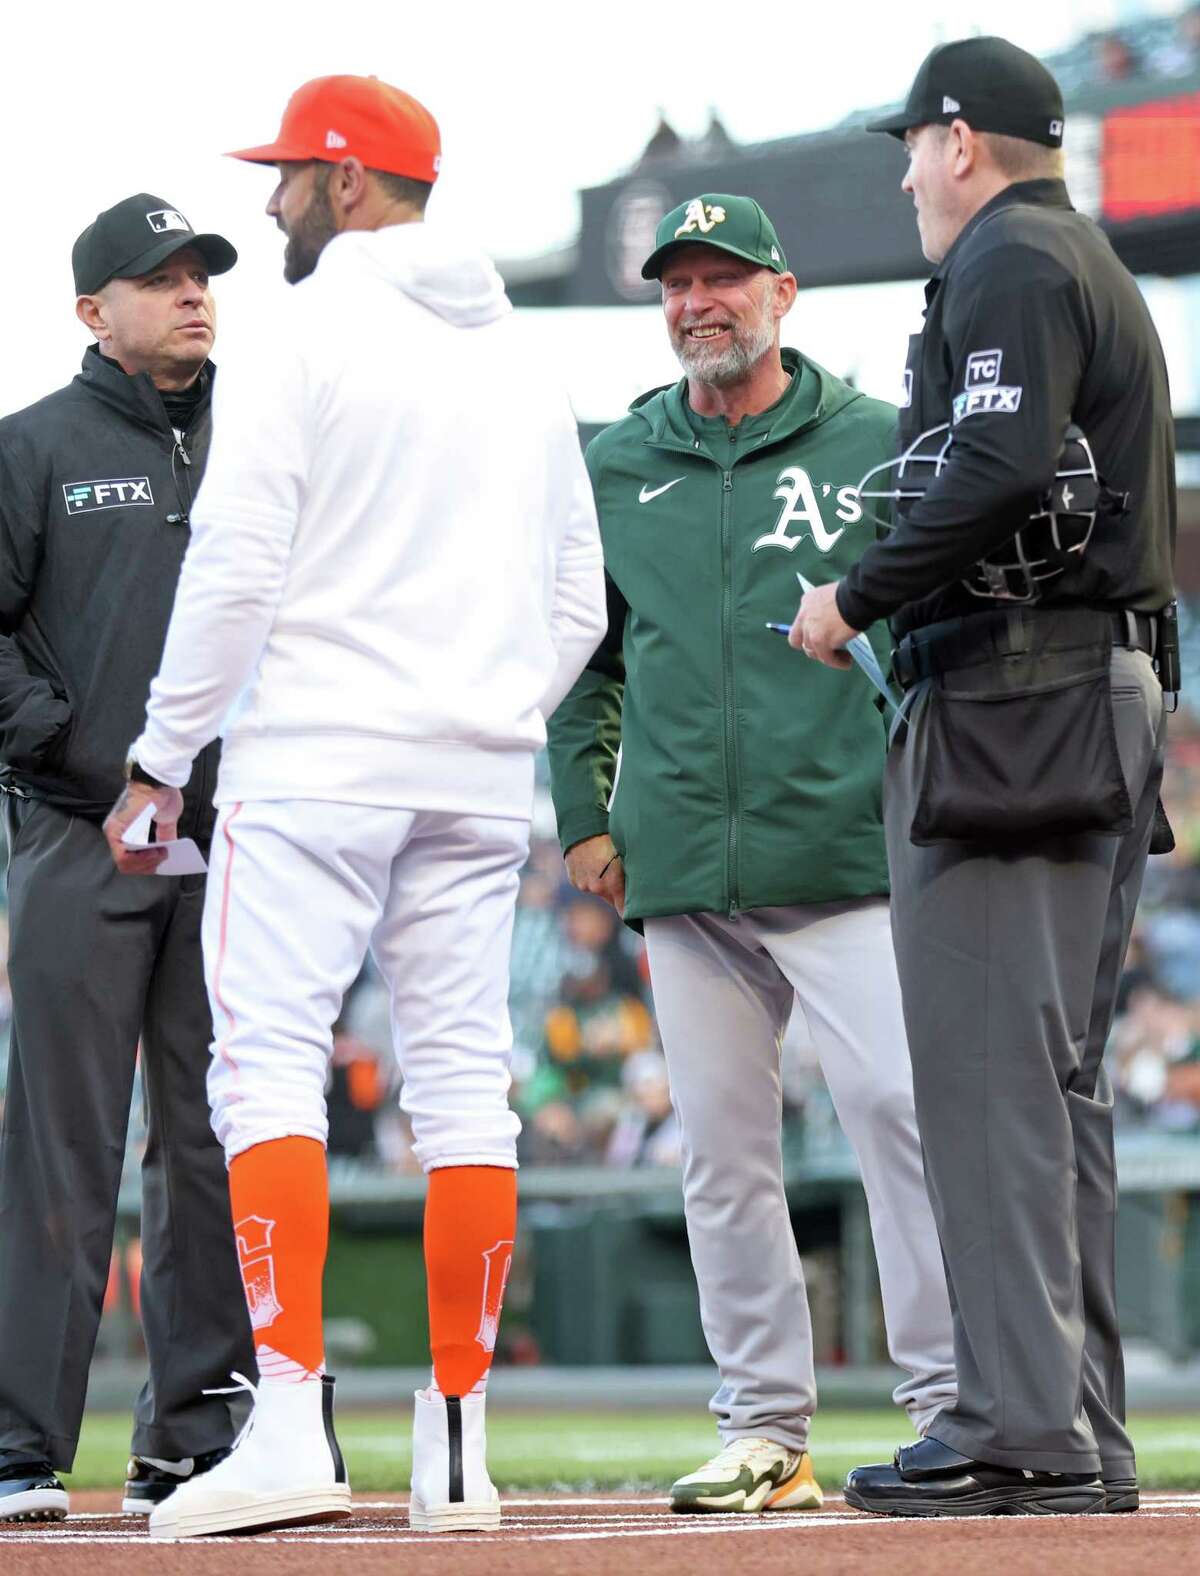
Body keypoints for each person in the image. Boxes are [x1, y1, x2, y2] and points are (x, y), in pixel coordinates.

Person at [103, 75, 606, 1541]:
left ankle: (286, 1427)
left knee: (264, 1070)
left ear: (347, 180)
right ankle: (459, 1450)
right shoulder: (520, 358)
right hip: (472, 768)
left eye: (286, 178)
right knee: (464, 1086)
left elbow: (240, 562)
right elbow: (579, 594)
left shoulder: (307, 329)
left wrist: (159, 753)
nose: (267, 205)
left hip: (316, 754)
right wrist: (496, 702)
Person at [792, 37, 1175, 1517]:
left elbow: (1006, 457)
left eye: (912, 145)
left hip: (1022, 697)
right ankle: (1073, 1425)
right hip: (1084, 693)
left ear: (961, 140)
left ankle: (1021, 1428)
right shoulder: (1070, 253)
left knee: (993, 1082)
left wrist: (855, 594)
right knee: (1053, 1084)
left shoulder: (1013, 252)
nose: (903, 174)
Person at [546, 193, 956, 1515]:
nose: (697, 302)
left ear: (785, 294)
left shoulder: (876, 440)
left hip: (848, 852)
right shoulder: (617, 459)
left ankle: (955, 1405)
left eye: (725, 279)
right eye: (678, 284)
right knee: (721, 1155)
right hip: (683, 866)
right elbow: (580, 659)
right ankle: (767, 1428)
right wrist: (585, 816)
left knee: (901, 1120)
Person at [0, 196, 254, 1522]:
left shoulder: (264, 444)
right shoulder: (28, 447)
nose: (192, 294)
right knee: (63, 1143)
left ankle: (199, 1432)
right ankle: (17, 1445)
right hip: (81, 837)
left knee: (214, 1140)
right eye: (157, 280)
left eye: (202, 274)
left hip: (236, 843)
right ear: (94, 312)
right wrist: (88, 768)